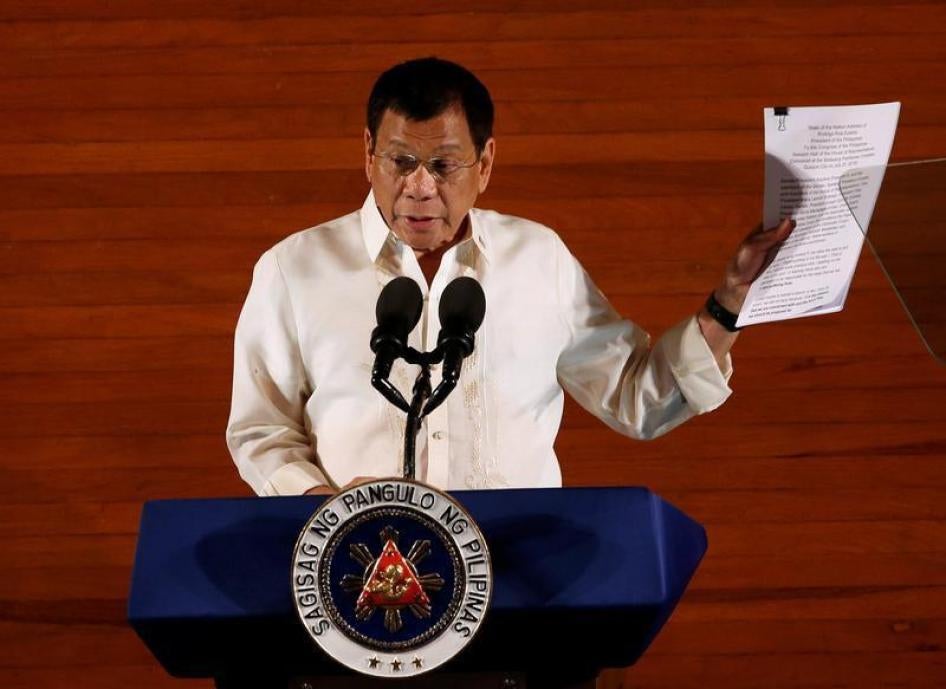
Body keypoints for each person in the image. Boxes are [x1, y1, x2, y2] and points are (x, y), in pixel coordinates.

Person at [226, 57, 792, 497]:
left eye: (444, 165)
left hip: (516, 575)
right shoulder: (293, 268)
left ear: (486, 163)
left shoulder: (538, 260)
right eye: (401, 162)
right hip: (362, 578)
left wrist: (730, 301)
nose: (420, 188)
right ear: (368, 153)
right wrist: (327, 508)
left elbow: (638, 397)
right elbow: (261, 430)